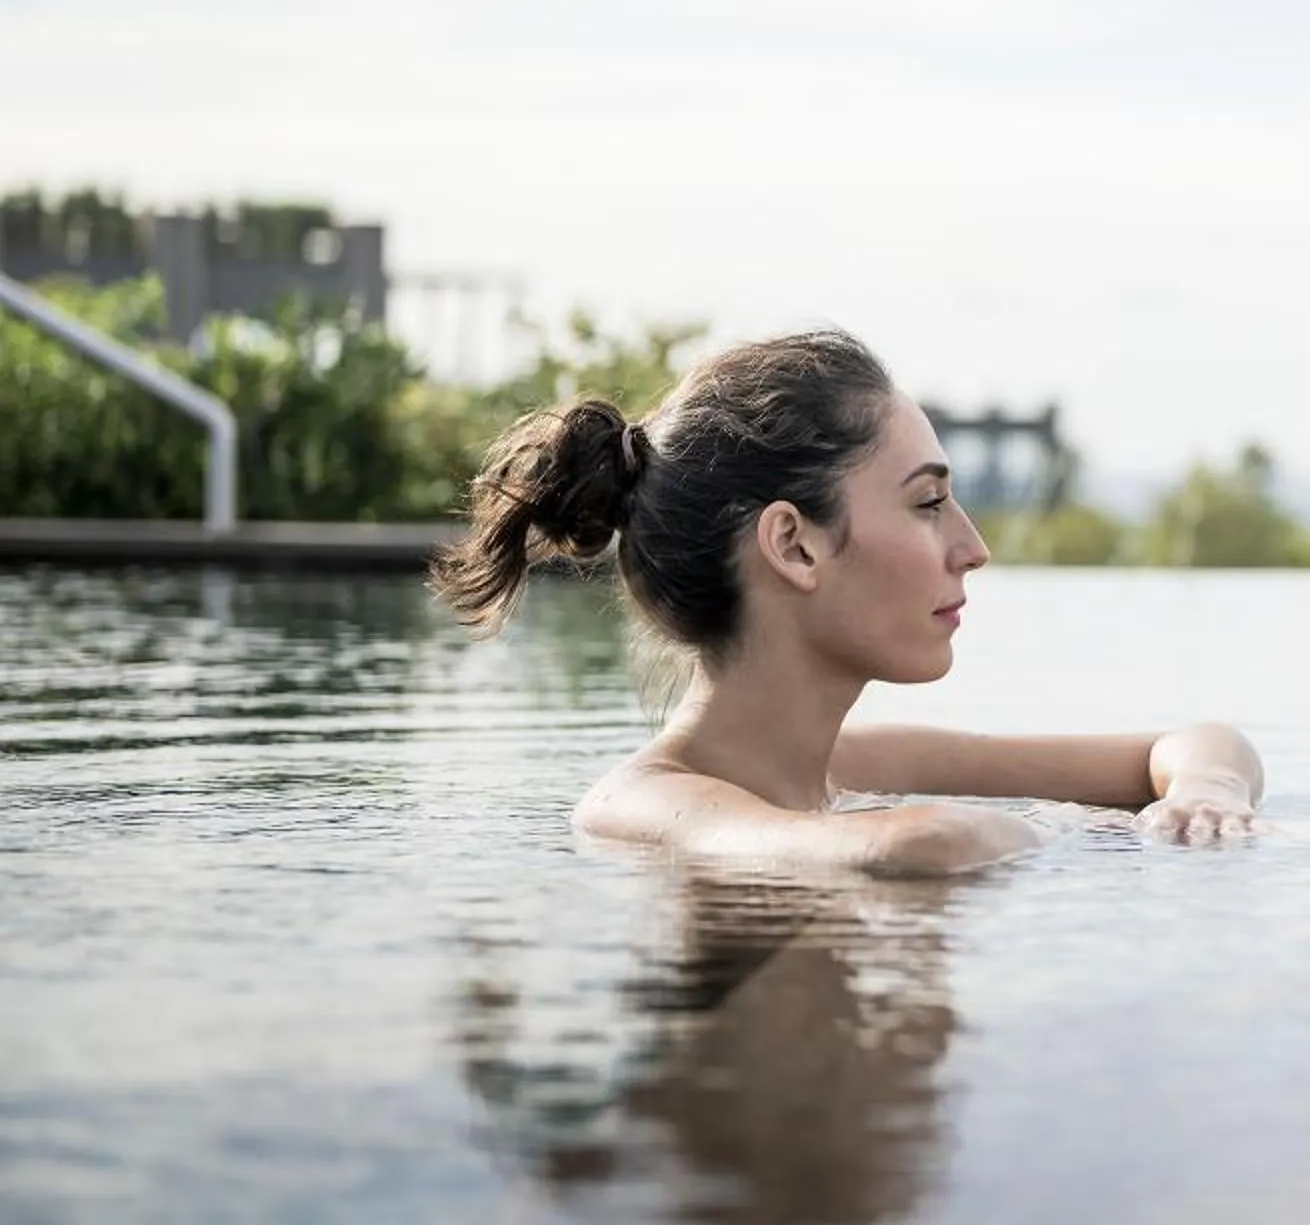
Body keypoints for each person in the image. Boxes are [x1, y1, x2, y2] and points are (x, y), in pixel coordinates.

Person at [431, 329, 1262, 873]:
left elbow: (1197, 742)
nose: (973, 548)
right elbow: (919, 844)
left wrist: (1206, 796)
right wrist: (1077, 830)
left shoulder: (844, 767)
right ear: (794, 545)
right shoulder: (641, 806)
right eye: (928, 503)